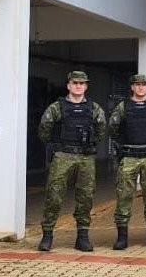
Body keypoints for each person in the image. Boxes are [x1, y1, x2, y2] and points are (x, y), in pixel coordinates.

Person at [36, 71, 106, 252]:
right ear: (68, 85)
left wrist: (89, 145)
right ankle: (47, 235)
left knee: (85, 197)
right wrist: (56, 146)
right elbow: (44, 129)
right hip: (63, 156)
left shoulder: (94, 108)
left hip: (85, 157)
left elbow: (101, 130)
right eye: (75, 83)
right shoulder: (56, 107)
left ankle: (82, 237)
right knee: (54, 195)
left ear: (86, 86)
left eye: (82, 83)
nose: (78, 86)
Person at [109, 74, 146, 250]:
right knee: (124, 196)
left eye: (144, 85)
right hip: (129, 156)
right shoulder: (122, 107)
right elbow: (113, 128)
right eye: (137, 85)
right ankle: (122, 237)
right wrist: (123, 144)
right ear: (132, 87)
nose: (141, 88)